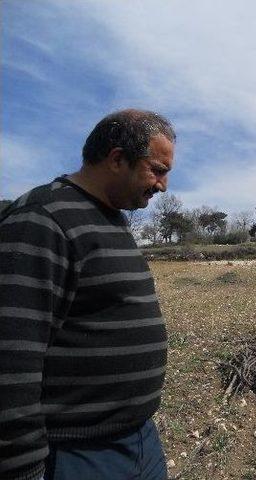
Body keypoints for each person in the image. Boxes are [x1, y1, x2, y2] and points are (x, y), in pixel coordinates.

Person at [0, 109, 176, 480]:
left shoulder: (110, 217)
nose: (162, 185)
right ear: (117, 159)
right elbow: (11, 359)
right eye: (158, 170)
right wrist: (23, 469)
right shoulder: (41, 219)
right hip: (77, 454)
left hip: (140, 440)